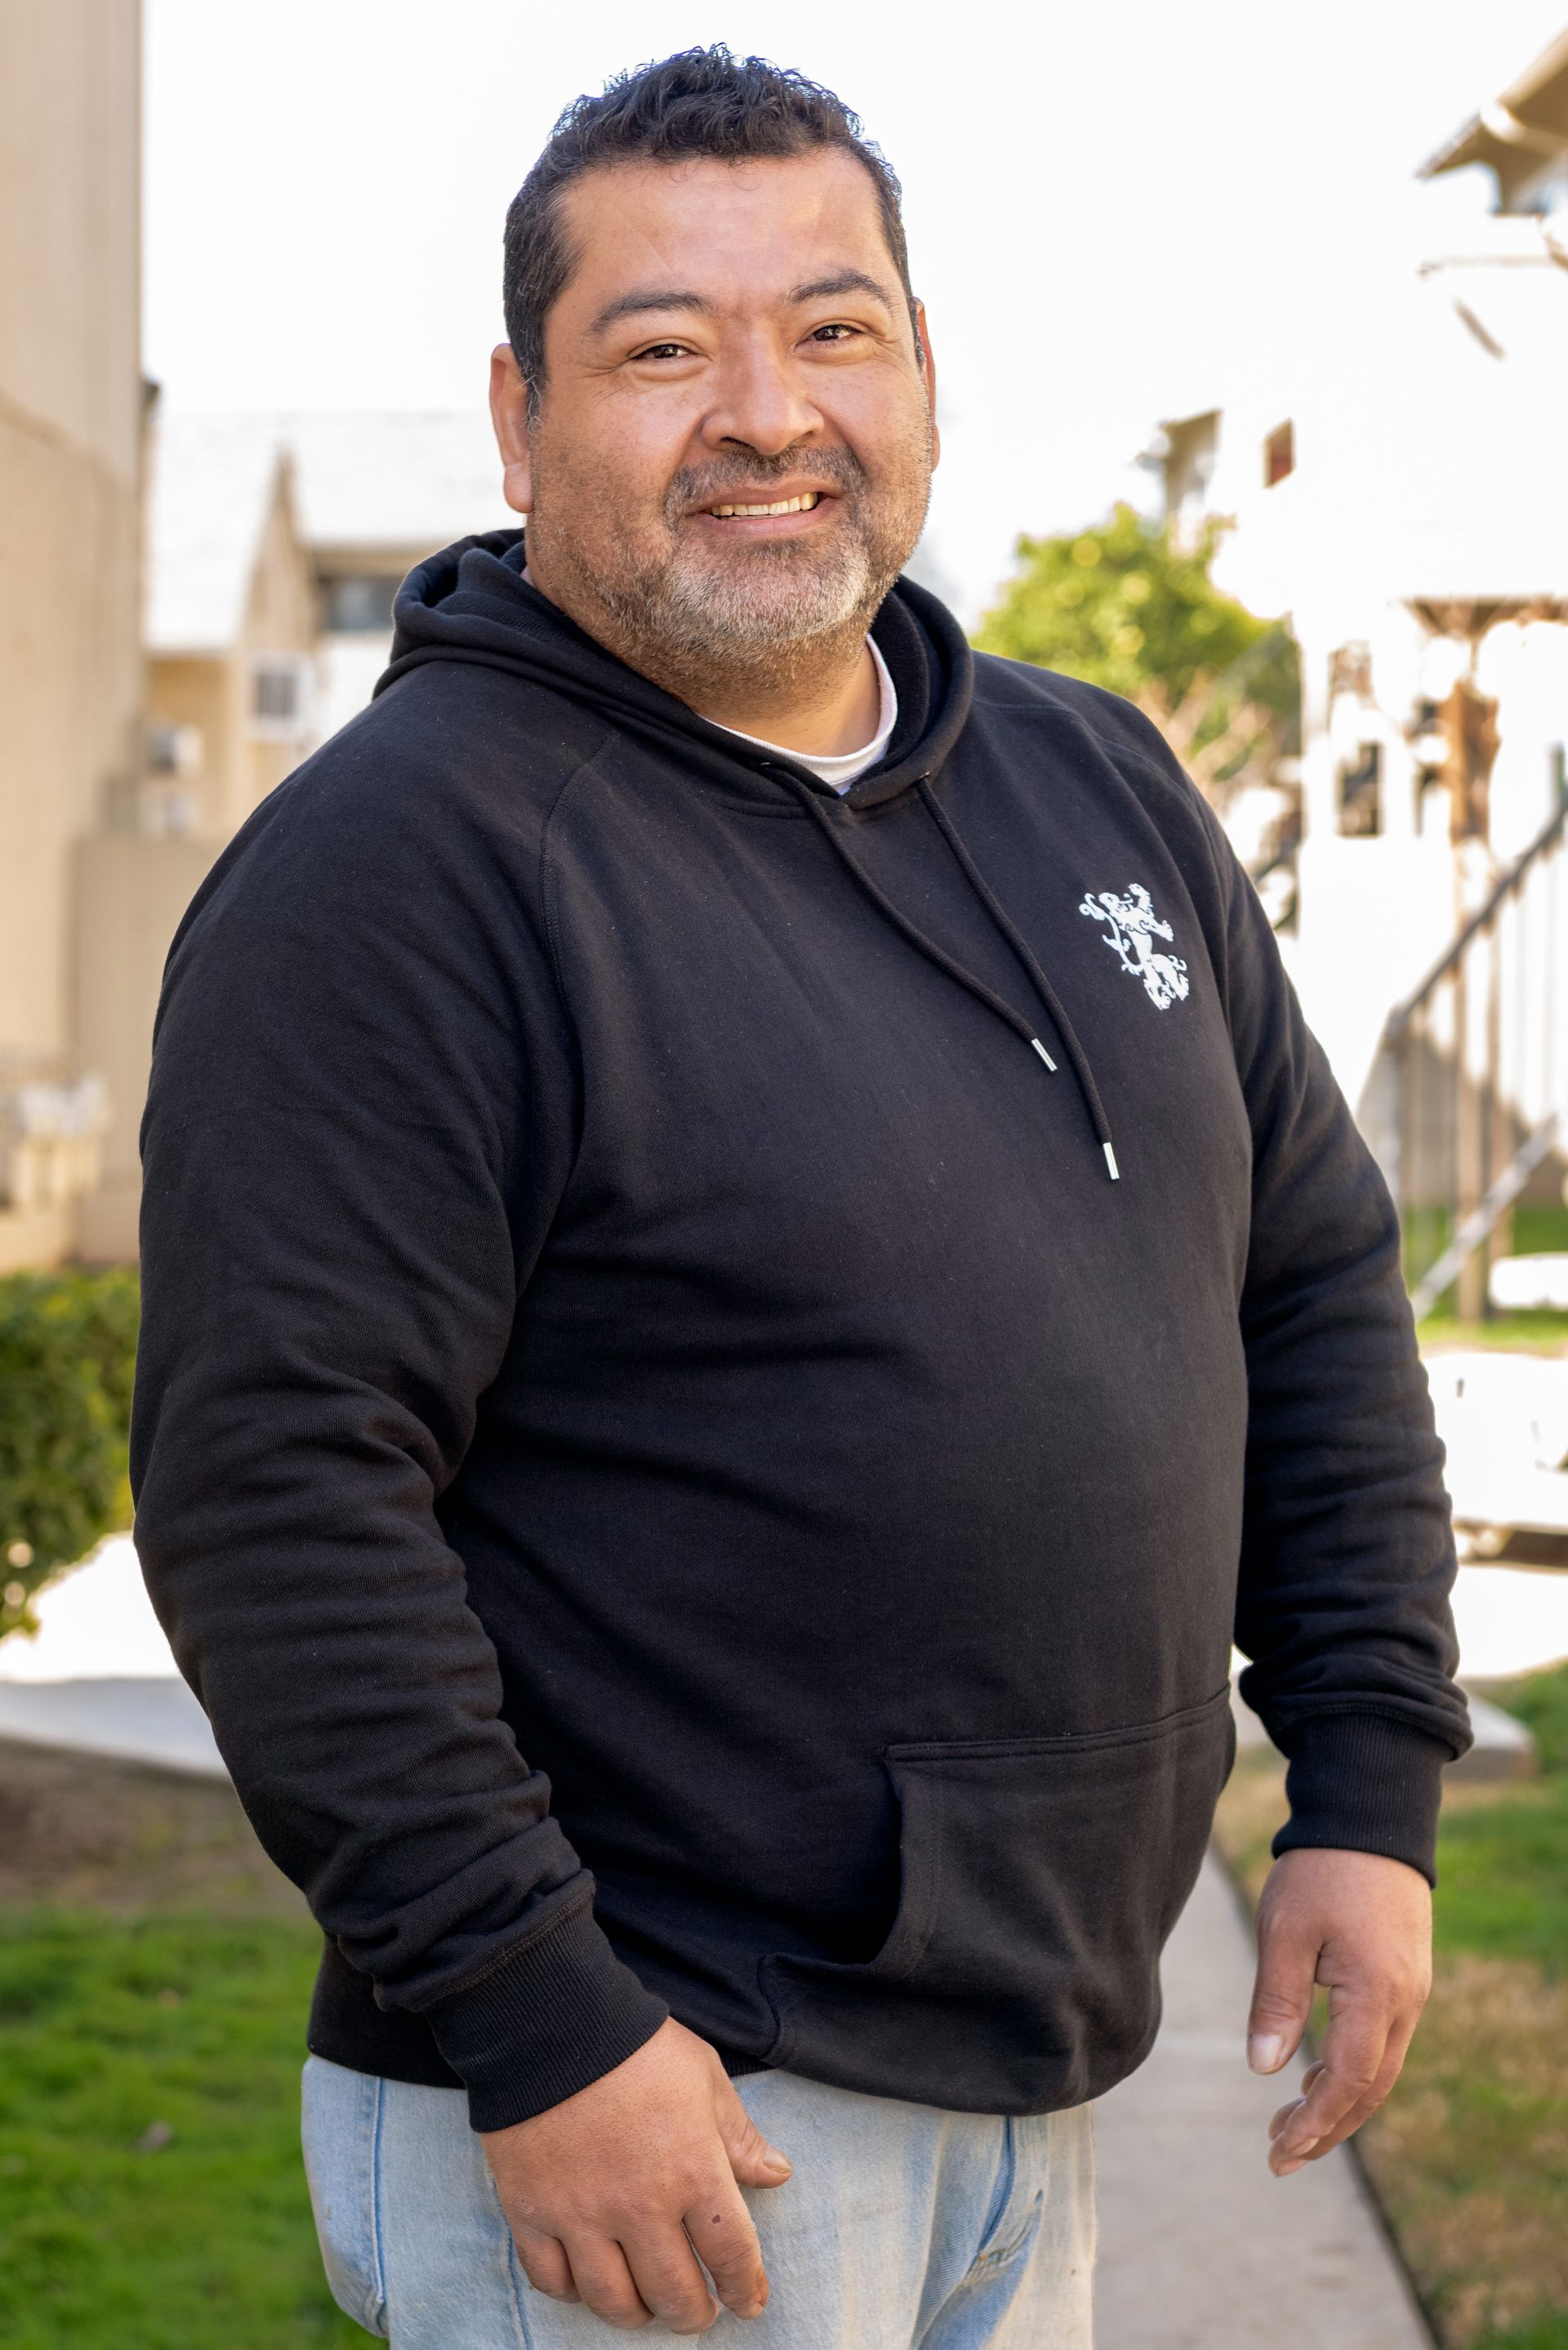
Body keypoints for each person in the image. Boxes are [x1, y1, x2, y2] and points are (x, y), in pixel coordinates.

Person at [132, 47, 1470, 2350]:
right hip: (659, 2105)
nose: (767, 409)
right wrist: (538, 2020)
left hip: (1015, 2068)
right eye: (664, 347)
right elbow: (276, 1492)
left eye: (832, 327)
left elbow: (1311, 1280)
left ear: (924, 365)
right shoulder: (406, 872)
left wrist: (1364, 1772)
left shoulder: (1091, 778)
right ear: (519, 409)